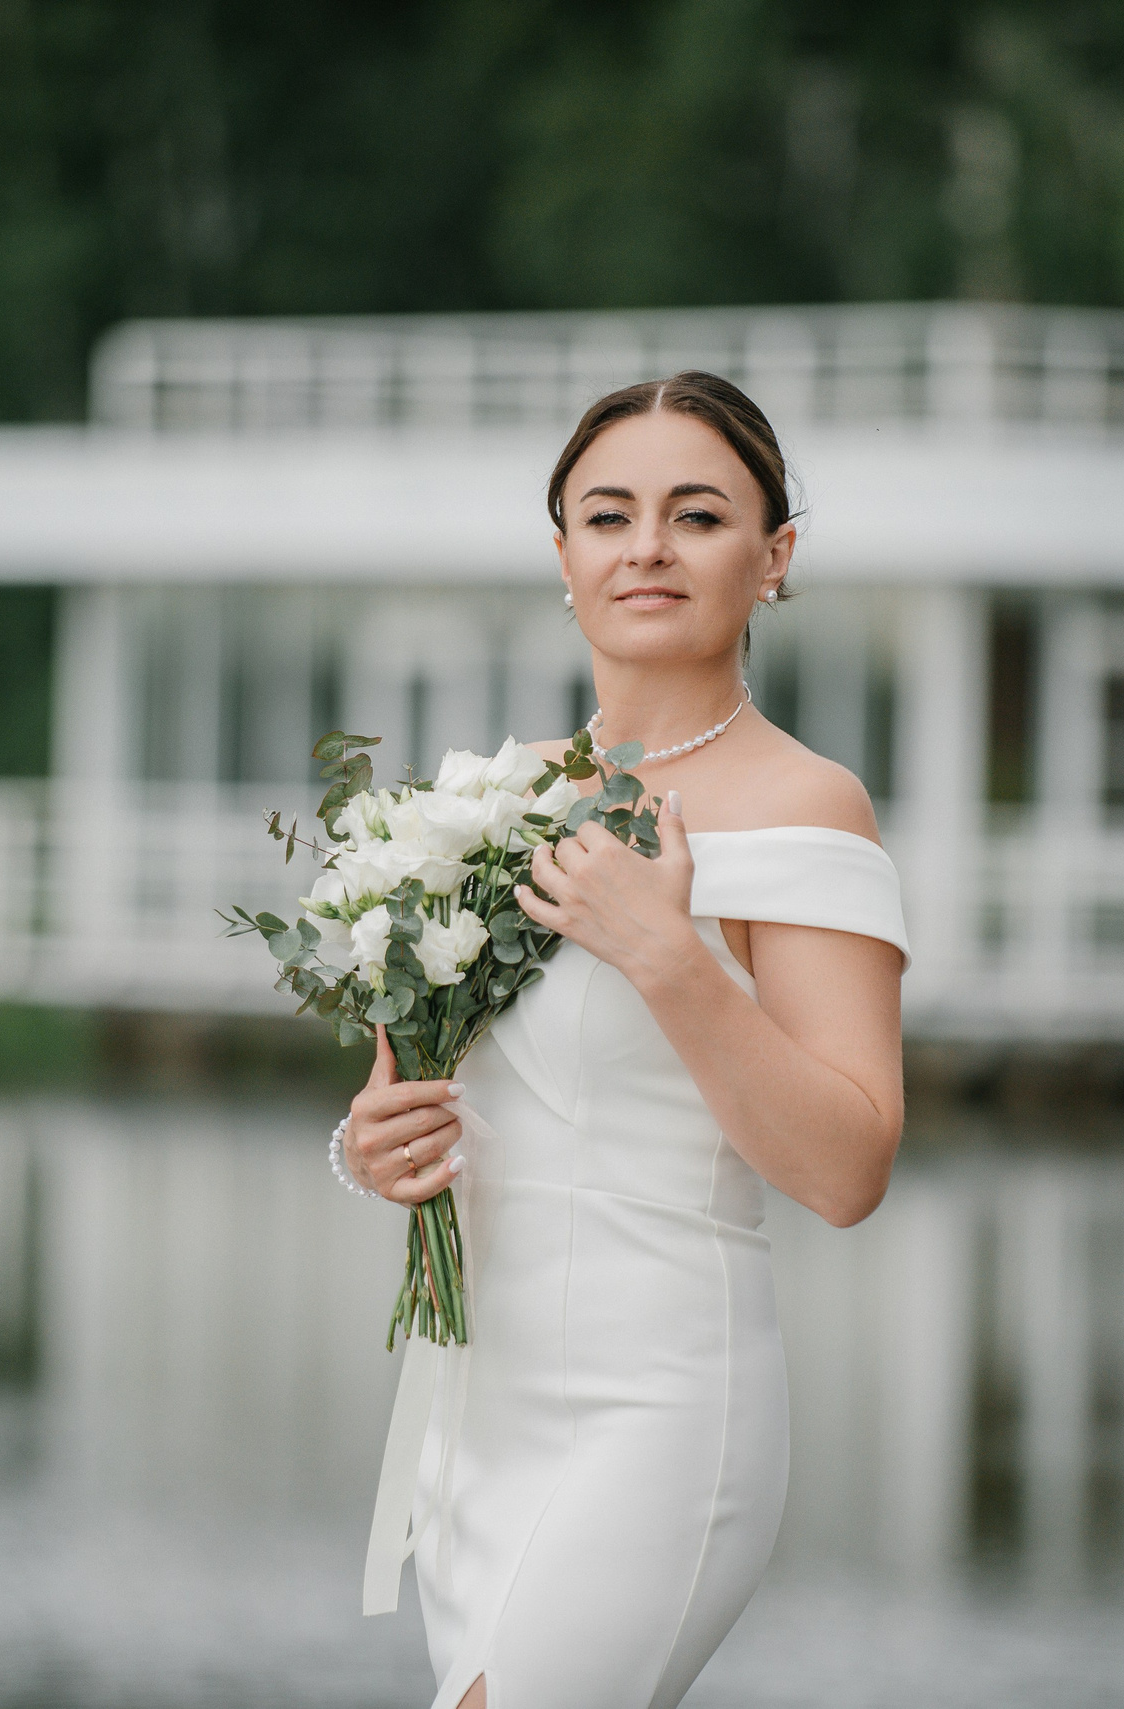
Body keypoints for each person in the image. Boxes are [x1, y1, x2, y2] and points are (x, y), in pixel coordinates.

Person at [337, 372, 909, 1709]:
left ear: (773, 559)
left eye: (696, 514)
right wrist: (369, 1145)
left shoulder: (808, 806)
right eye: (609, 514)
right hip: (480, 1411)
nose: (647, 544)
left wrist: (668, 953)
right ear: (563, 557)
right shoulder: (490, 799)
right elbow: (419, 1100)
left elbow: (847, 1170)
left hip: (657, 1411)